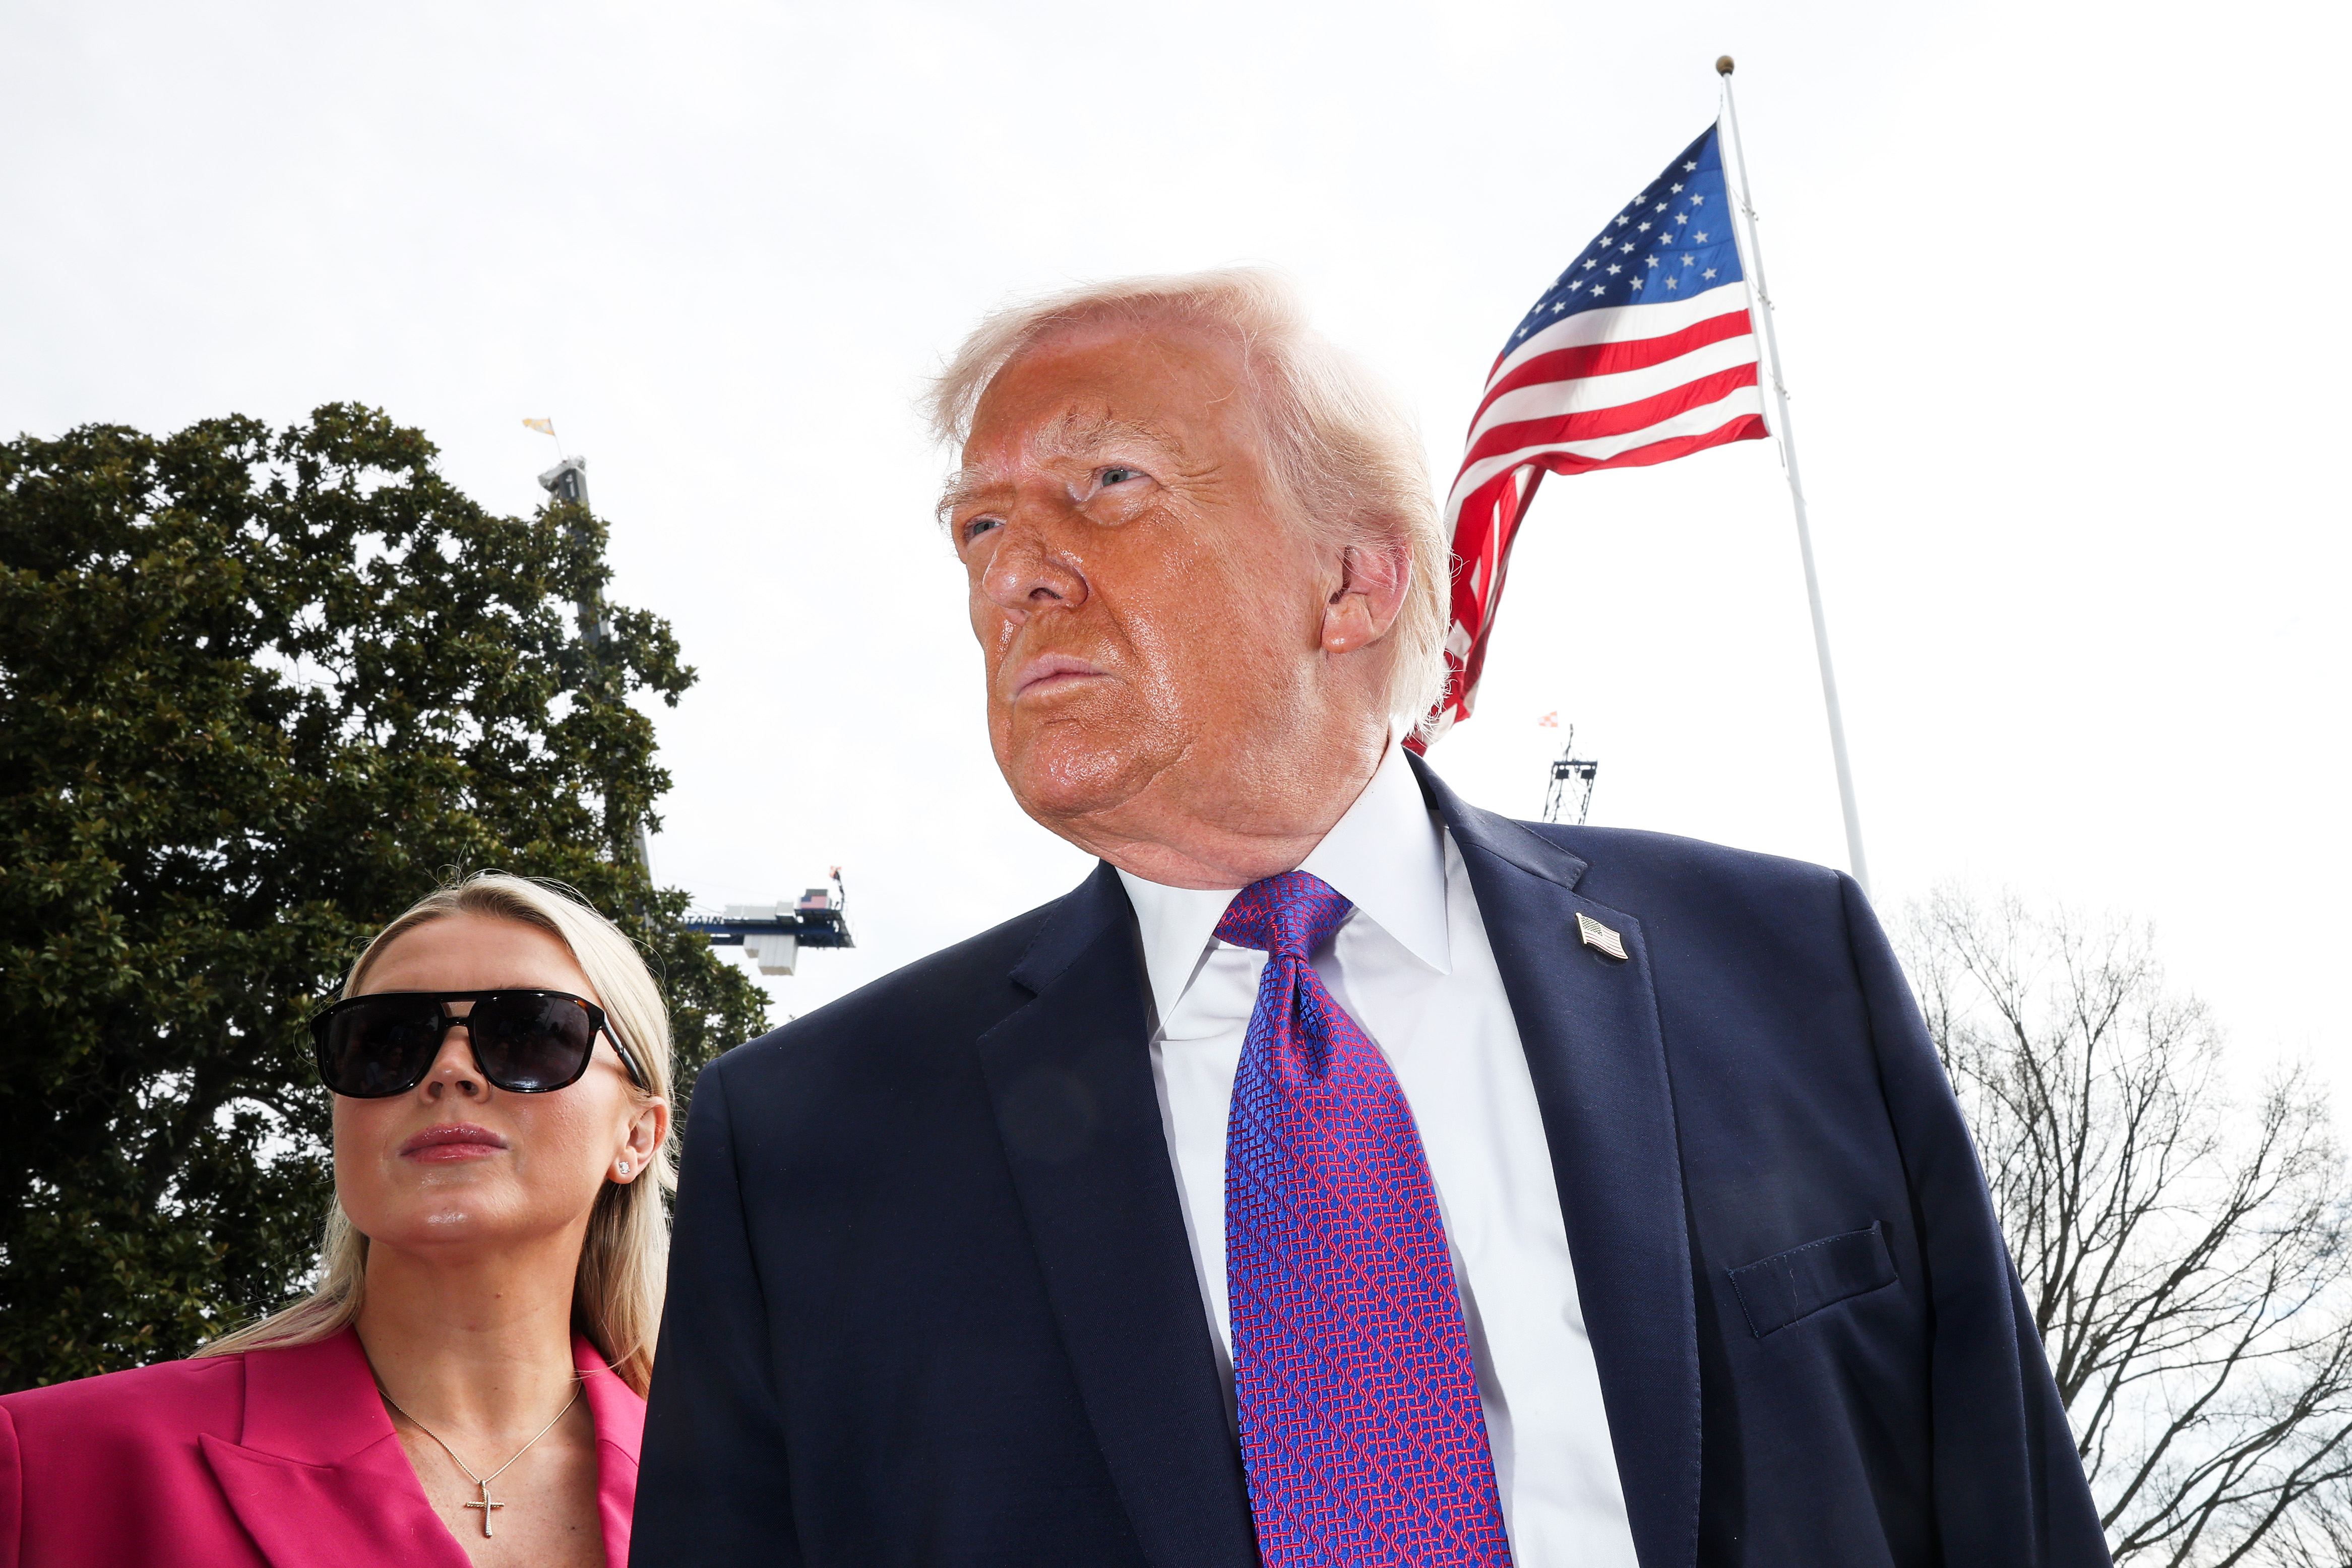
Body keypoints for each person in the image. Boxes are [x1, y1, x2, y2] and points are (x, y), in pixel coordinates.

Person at [635, 269, 2108, 1567]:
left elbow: (2008, 1512)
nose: (1014, 573)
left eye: (1108, 486)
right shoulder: (808, 1139)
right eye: (978, 523)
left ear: (1352, 580)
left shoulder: (1785, 968)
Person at [0, 873, 674, 1568]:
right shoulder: (53, 1463)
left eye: (530, 1034)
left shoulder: (754, 1494)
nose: (448, 1069)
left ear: (637, 1137)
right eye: (387, 1041)